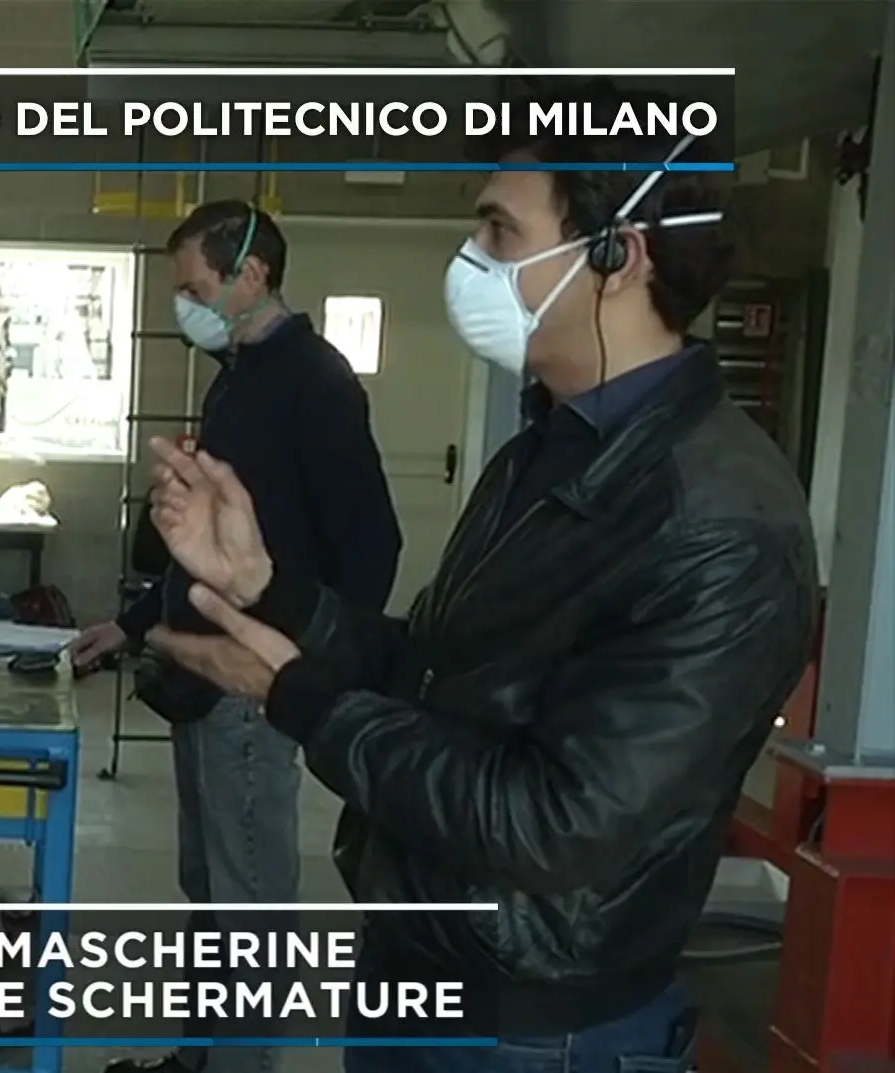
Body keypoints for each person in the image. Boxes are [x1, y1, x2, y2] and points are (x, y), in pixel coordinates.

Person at [143, 86, 818, 1073]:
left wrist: (291, 693)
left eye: (499, 231)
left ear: (616, 255)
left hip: (536, 1027)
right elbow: (432, 670)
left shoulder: (717, 525)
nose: (470, 260)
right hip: (423, 962)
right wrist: (268, 586)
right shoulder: (545, 449)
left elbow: (551, 822)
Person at [81, 201, 403, 1073]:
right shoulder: (237, 376)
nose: (183, 306)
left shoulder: (316, 383)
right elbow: (208, 547)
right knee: (209, 888)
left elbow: (371, 547)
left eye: (194, 289)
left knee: (250, 900)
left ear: (252, 274)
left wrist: (300, 668)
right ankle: (202, 1057)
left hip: (252, 684)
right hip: (199, 678)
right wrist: (133, 623)